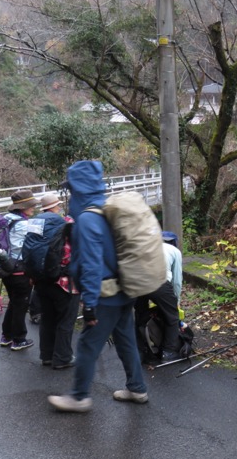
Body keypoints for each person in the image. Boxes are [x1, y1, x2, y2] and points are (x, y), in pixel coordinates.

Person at [48, 160, 148, 413]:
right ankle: (137, 388)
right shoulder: (108, 209)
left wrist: (89, 305)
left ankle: (79, 396)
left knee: (88, 344)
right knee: (125, 340)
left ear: (77, 188)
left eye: (70, 188)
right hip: (126, 287)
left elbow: (91, 265)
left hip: (106, 295)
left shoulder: (88, 219)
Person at [32, 192, 79, 370]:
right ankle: (63, 358)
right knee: (66, 320)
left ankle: (47, 355)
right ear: (57, 205)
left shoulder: (35, 223)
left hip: (41, 279)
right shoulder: (68, 223)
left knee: (48, 318)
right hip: (64, 281)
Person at [134, 230, 184, 363]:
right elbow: (177, 281)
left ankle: (141, 352)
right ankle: (168, 352)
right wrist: (176, 301)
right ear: (174, 242)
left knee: (141, 315)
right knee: (172, 317)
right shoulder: (174, 250)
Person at [0, 189, 39, 351]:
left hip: (6, 267)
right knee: (21, 304)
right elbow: (34, 246)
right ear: (22, 208)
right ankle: (19, 339)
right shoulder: (24, 225)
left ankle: (6, 336)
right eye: (30, 206)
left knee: (14, 302)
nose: (33, 208)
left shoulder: (6, 219)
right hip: (19, 270)